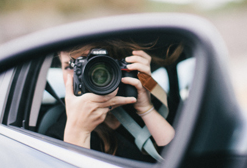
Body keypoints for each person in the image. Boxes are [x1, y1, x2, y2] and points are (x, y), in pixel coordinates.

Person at [46, 39, 181, 162]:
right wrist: (78, 132)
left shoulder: (138, 102)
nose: (87, 73)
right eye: (71, 66)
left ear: (118, 66)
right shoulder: (58, 132)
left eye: (96, 63)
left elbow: (179, 157)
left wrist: (146, 108)